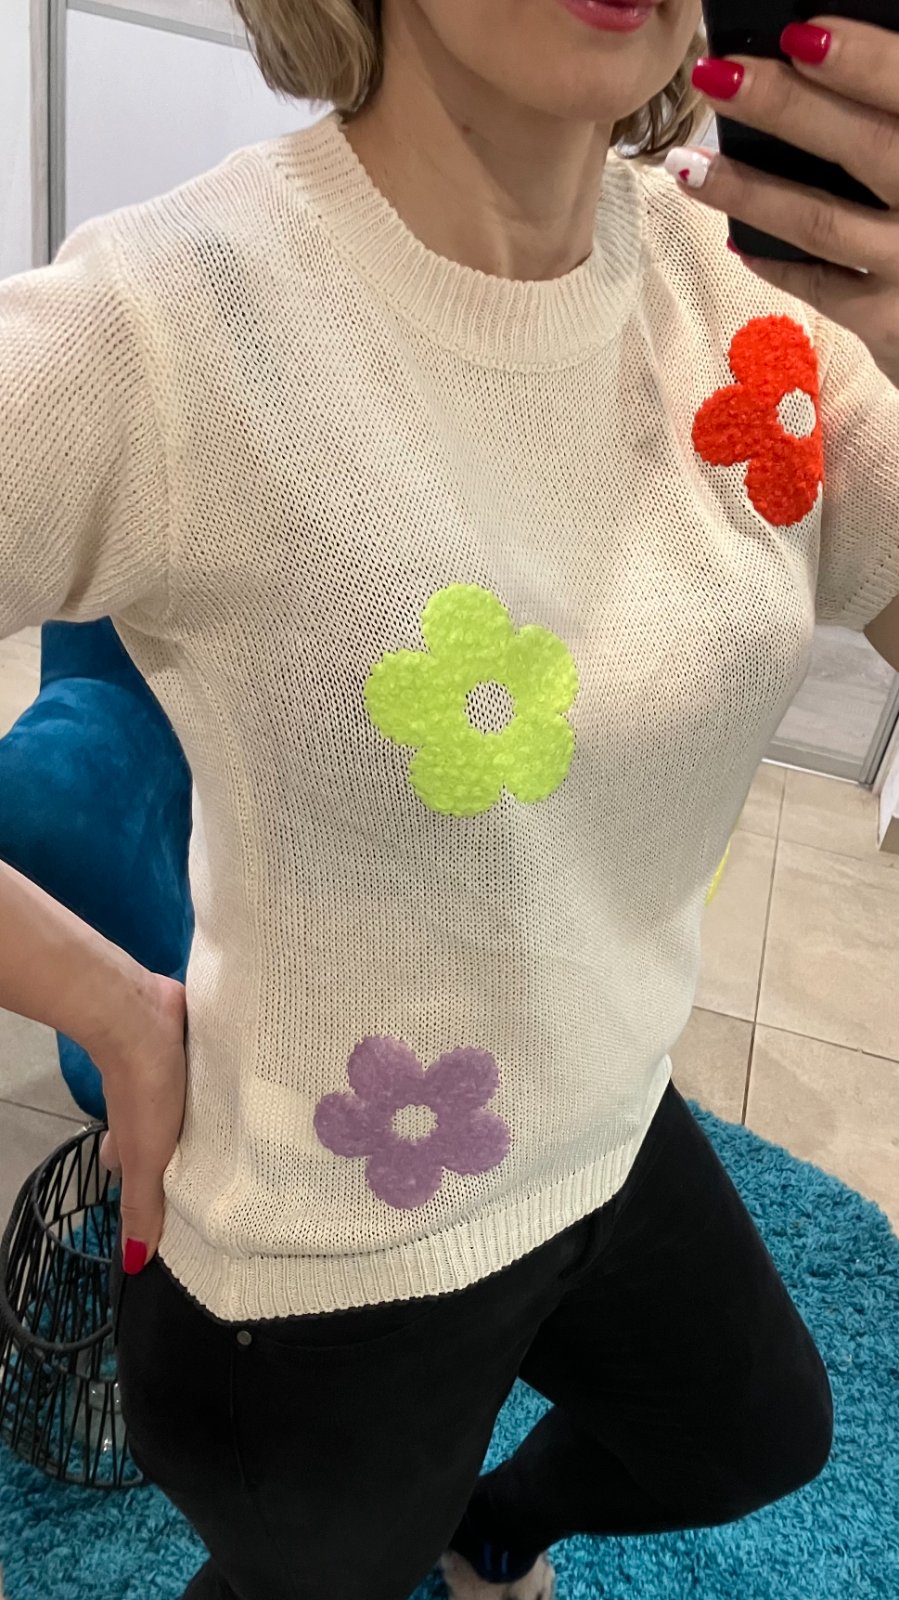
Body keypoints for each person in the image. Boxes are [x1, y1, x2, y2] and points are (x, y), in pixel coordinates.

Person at [4, 0, 899, 1595]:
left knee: (757, 1432)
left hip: (608, 1125)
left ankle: (492, 1538)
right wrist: (111, 1006)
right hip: (318, 1256)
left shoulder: (755, 311)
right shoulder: (168, 328)